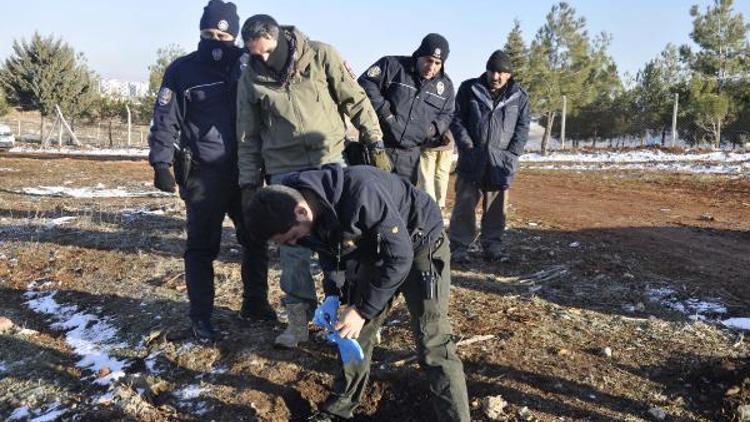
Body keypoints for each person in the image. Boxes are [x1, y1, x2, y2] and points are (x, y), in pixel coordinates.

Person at [244, 164, 470, 422]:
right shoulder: (295, 205)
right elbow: (331, 252)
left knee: (432, 340)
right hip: (372, 250)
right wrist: (334, 295)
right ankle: (341, 407)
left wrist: (362, 310)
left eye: (292, 237)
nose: (295, 243)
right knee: (351, 332)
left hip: (420, 244)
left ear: (301, 211)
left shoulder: (361, 193)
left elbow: (399, 258)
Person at [236, 15, 390, 348]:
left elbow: (355, 98)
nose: (261, 59)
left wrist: (374, 140)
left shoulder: (321, 55)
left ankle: (354, 312)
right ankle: (298, 321)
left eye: (266, 52)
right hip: (283, 170)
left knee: (344, 242)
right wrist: (249, 184)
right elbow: (247, 136)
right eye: (254, 54)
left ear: (279, 39)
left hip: (328, 164)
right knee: (291, 249)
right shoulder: (249, 77)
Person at [148, 0, 275, 342]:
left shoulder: (249, 64)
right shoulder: (181, 70)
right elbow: (165, 119)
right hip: (202, 174)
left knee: (255, 239)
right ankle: (201, 316)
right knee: (202, 247)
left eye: (222, 35)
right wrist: (160, 162)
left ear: (234, 36)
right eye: (208, 33)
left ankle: (255, 304)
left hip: (246, 171)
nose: (214, 40)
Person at [449, 50, 530, 263]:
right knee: (464, 205)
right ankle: (459, 246)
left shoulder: (519, 96)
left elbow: (522, 127)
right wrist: (466, 145)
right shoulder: (469, 88)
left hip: (500, 161)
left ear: (509, 74)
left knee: (496, 207)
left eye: (501, 72)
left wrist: (512, 153)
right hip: (472, 157)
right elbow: (457, 119)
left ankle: (492, 245)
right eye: (492, 71)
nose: (495, 77)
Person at [358, 33, 455, 184]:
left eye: (437, 63)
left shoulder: (445, 87)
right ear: (419, 55)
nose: (432, 67)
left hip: (410, 158)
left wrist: (432, 130)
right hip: (378, 147)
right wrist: (385, 112)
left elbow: (448, 113)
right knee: (369, 198)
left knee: (400, 203)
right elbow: (365, 83)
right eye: (428, 60)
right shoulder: (392, 65)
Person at [418, 129, 454, 209]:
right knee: (442, 175)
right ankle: (440, 205)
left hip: (429, 142)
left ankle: (430, 206)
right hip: (448, 141)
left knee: (427, 176)